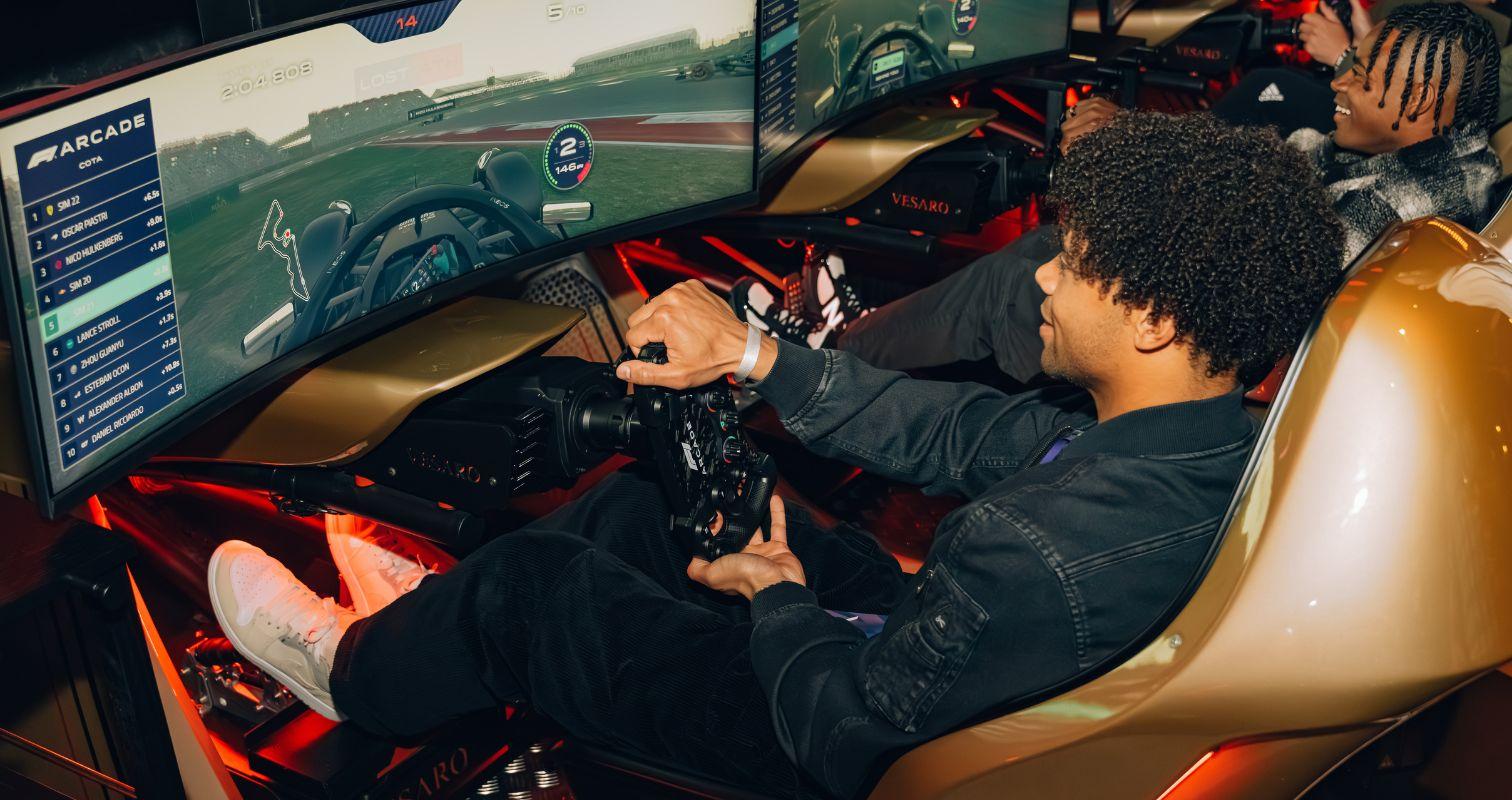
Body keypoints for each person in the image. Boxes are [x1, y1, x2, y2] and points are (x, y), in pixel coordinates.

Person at [205, 112, 1343, 799]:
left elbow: (853, 736)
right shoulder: (1211, 441)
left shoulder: (1027, 547)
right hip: (938, 658)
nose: (1041, 275)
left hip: (837, 733)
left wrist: (780, 597)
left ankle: (349, 673)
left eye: (1074, 263)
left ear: (1152, 319)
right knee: (640, 507)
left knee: (530, 584)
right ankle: (424, 633)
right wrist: (757, 355)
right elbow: (953, 430)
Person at [741, 2, 1503, 384]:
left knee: (1029, 279)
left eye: (1362, 77)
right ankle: (860, 333)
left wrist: (1128, 173)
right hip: (1238, 323)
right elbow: (1274, 167)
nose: (1339, 82)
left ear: (1425, 108)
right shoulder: (1430, 158)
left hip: (1221, 358)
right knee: (1052, 248)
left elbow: (1260, 282)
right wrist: (1138, 143)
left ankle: (824, 357)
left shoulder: (1398, 207)